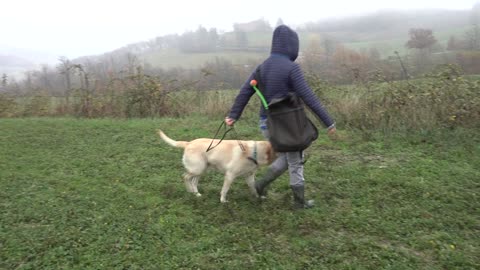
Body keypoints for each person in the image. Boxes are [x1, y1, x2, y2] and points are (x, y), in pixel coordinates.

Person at [225, 25, 336, 209]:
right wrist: (328, 121)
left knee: (286, 157)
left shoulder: (261, 68)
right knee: (295, 160)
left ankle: (261, 184)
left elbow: (246, 91)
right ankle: (298, 202)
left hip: (267, 124)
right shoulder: (292, 68)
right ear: (292, 46)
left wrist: (233, 115)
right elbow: (308, 96)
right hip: (290, 125)